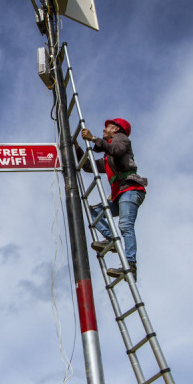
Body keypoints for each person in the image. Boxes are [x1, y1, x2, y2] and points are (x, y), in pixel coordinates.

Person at [76, 118, 147, 278]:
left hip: (130, 190)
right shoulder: (108, 158)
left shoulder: (121, 140)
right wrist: (76, 147)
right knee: (95, 211)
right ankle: (111, 240)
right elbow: (88, 166)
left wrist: (94, 139)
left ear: (116, 129)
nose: (104, 129)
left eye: (107, 126)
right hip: (120, 194)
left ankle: (130, 265)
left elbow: (117, 150)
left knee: (125, 225)